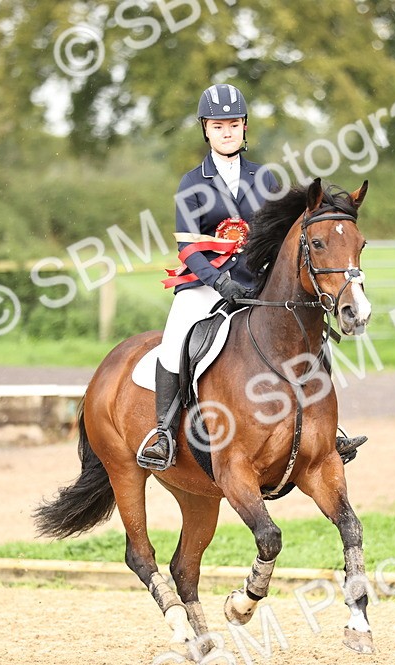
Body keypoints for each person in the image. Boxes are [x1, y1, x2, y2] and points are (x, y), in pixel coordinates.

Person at [138, 83, 366, 470]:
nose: (226, 132)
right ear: (205, 130)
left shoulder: (266, 179)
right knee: (176, 335)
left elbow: (285, 238)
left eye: (233, 124)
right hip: (205, 284)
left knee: (309, 334)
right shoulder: (192, 183)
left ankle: (329, 429)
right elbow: (188, 248)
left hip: (257, 283)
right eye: (217, 125)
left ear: (244, 128)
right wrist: (217, 281)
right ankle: (163, 431)